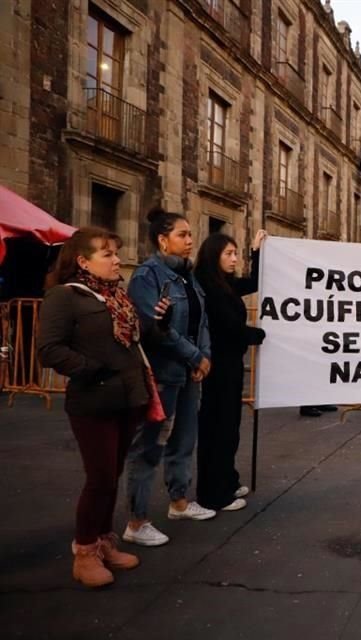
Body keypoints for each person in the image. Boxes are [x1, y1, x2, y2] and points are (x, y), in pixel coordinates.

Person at [37, 227, 170, 587]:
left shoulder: (116, 296)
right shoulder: (64, 297)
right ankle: (83, 552)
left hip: (127, 400)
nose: (116, 260)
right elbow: (49, 349)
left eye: (116, 252)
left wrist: (160, 319)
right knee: (98, 479)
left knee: (111, 477)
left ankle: (103, 542)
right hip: (92, 402)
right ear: (83, 261)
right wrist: (90, 367)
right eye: (107, 254)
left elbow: (137, 338)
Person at [125, 207, 214, 547]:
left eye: (191, 234)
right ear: (163, 240)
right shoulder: (148, 276)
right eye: (182, 234)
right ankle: (137, 520)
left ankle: (179, 501)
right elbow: (154, 328)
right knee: (149, 446)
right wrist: (194, 355)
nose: (190, 240)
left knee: (184, 440)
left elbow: (200, 320)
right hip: (162, 374)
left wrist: (203, 355)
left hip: (190, 372)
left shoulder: (188, 275)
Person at [194, 231, 267, 512]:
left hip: (229, 364)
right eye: (229, 254)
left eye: (236, 253)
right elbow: (227, 328)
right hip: (218, 366)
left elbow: (255, 282)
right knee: (219, 427)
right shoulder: (209, 285)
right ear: (214, 255)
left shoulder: (223, 283)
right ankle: (214, 494)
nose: (234, 259)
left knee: (229, 425)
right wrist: (256, 333)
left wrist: (256, 252)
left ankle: (227, 480)